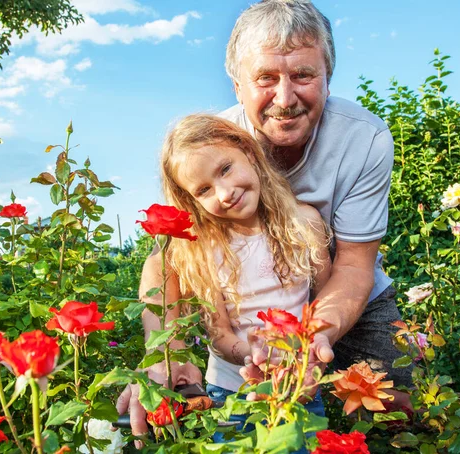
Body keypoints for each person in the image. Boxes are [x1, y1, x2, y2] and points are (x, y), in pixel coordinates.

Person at [117, 0, 410, 440]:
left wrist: (310, 340)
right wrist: (168, 352)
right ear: (238, 86)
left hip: (338, 282)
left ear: (328, 78)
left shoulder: (363, 139)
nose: (285, 99)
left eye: (304, 75)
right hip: (245, 316)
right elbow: (166, 263)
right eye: (266, 79)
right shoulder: (206, 146)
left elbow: (353, 266)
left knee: (399, 406)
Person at [159, 114, 331, 432]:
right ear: (191, 201)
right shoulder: (205, 248)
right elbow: (219, 332)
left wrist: (308, 355)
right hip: (233, 393)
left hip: (299, 386)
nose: (224, 193)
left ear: (249, 153)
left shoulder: (304, 223)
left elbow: (325, 300)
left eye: (225, 169)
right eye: (204, 190)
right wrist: (250, 354)